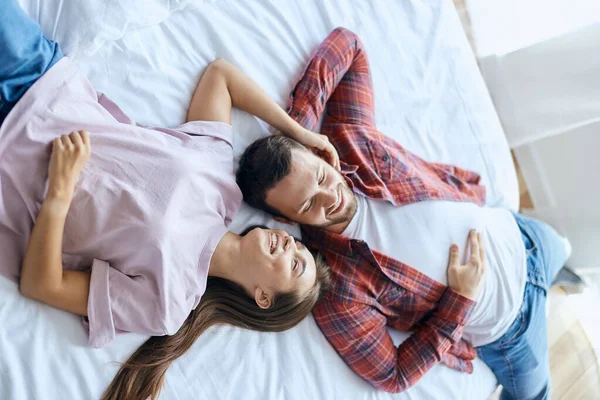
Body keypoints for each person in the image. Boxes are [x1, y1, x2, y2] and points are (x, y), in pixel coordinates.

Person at [0, 1, 332, 399]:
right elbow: (221, 76)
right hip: (37, 79)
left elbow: (43, 285)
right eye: (300, 246)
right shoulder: (222, 186)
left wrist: (60, 191)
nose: (291, 244)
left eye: (295, 264)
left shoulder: (167, 305)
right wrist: (304, 137)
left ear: (263, 297)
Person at [237, 27, 573, 399]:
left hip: (523, 236)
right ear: (286, 219)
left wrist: (296, 128)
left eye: (319, 177)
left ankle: (568, 277)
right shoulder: (338, 290)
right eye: (306, 205)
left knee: (566, 250)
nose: (328, 197)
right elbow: (392, 375)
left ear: (317, 152)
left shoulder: (350, 140)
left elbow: (349, 46)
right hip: (511, 330)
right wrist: (458, 302)